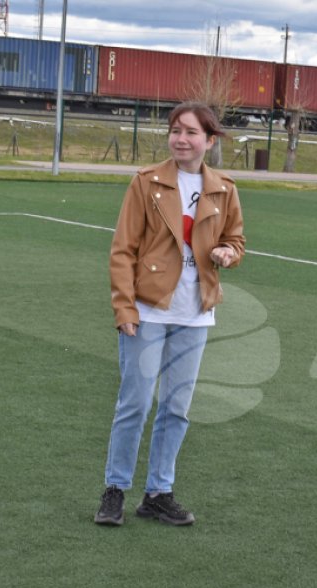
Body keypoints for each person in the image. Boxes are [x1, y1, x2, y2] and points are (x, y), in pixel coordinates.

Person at [95, 102, 246, 527]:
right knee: (136, 404)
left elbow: (237, 240)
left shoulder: (224, 188)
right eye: (176, 130)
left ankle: (159, 492)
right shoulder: (146, 182)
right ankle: (115, 490)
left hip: (195, 312)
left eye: (191, 132)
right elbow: (122, 249)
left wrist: (227, 253)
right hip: (147, 309)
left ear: (209, 141)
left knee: (176, 408)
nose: (181, 138)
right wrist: (124, 306)